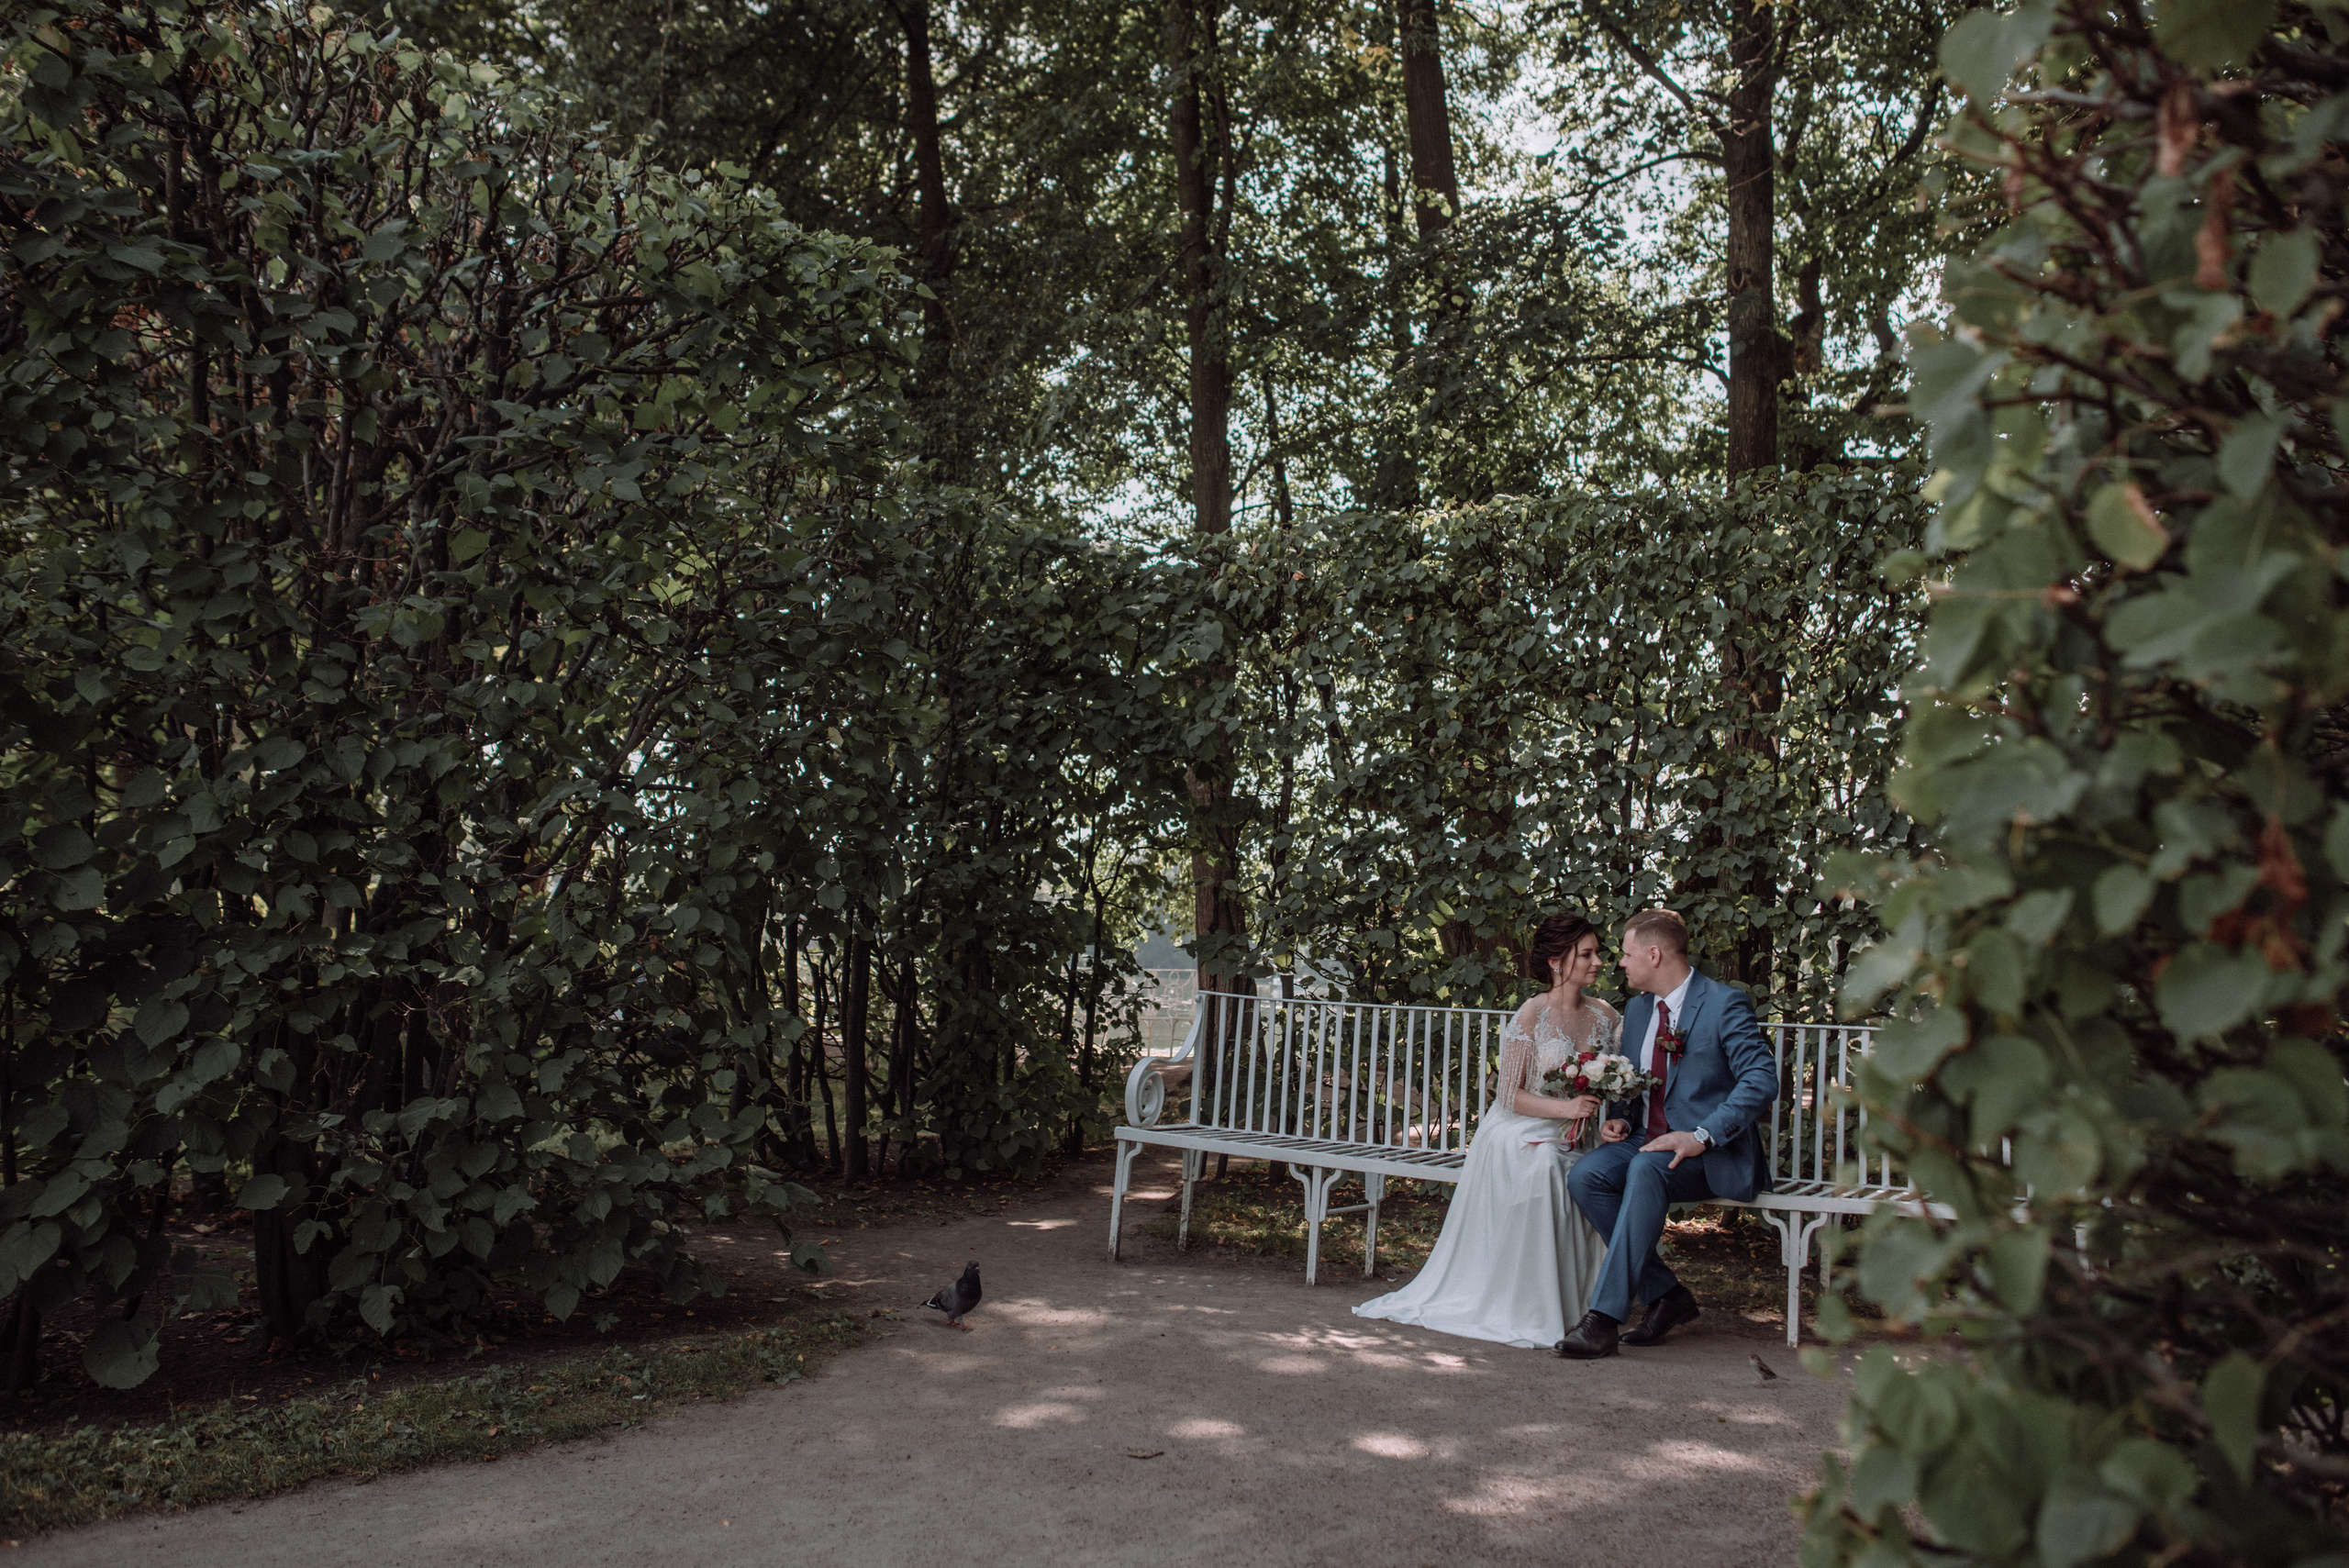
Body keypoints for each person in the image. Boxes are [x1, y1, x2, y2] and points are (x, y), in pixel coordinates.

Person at [1351, 912, 1613, 1351]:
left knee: (1582, 1166)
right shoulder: (1532, 1014)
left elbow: (1613, 1084)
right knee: (1546, 1165)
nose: (1598, 962)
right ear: (1556, 961)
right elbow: (1509, 1095)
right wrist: (1566, 1107)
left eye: (1597, 953)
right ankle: (1534, 1305)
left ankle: (1584, 1304)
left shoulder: (1605, 1016)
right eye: (1586, 954)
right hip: (1521, 1127)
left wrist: (1607, 1117)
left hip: (1581, 1129)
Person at [1555, 908, 1778, 1359]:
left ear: (1654, 955)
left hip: (1709, 1151)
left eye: (1627, 953)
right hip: (1646, 1141)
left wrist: (1701, 1135)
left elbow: (1761, 1079)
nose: (1621, 962)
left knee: (1647, 1168)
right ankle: (1667, 1295)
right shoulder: (1639, 1010)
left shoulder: (1723, 1004)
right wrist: (1620, 1117)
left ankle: (1604, 1320)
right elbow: (1635, 1081)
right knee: (1586, 1176)